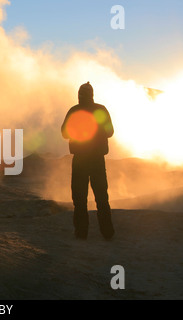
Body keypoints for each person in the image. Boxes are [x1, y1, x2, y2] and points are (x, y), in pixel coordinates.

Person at [61, 82, 115, 240]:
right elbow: (110, 132)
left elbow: (64, 133)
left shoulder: (74, 110)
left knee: (79, 198)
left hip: (80, 160)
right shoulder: (100, 110)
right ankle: (107, 233)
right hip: (97, 160)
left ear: (79, 95)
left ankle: (81, 233)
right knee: (101, 197)